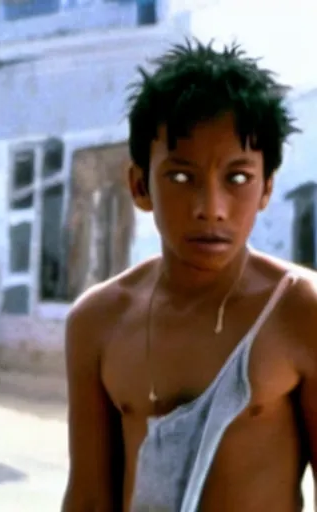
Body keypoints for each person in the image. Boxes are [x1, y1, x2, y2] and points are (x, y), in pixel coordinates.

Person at [61, 40, 316, 512]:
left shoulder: (300, 310)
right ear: (140, 186)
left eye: (237, 179)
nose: (210, 209)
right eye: (181, 177)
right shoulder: (97, 321)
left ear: (266, 189)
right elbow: (90, 498)